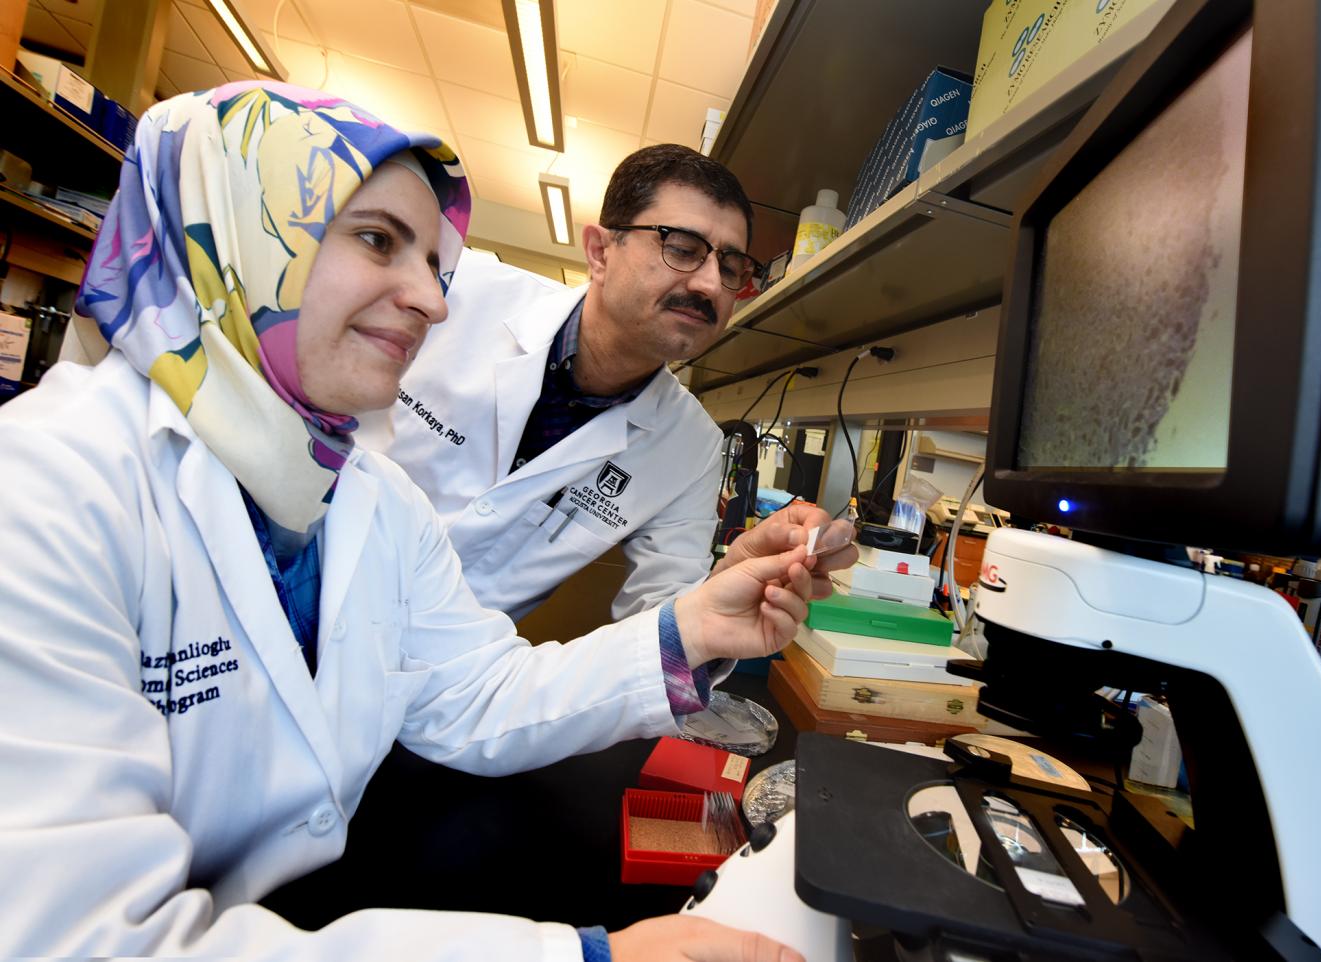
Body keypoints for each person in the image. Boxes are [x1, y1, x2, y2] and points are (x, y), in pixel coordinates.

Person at [0, 82, 811, 961]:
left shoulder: (364, 496)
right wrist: (582, 956)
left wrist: (694, 625)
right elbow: (78, 939)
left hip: (335, 823)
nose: (431, 299)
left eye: (431, 261)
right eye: (378, 241)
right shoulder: (46, 485)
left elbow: (477, 689)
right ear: (234, 226)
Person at [357, 144, 855, 624]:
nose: (708, 285)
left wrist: (732, 577)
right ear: (599, 252)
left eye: (729, 267)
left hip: (440, 681)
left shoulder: (692, 448)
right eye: (682, 249)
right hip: (301, 587)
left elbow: (662, 614)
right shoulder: (457, 294)